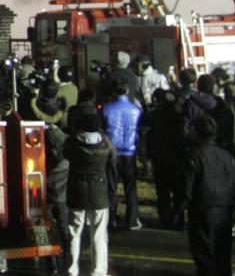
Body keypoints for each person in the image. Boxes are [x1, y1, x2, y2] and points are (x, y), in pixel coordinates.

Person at [182, 114, 235, 276]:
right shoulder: (227, 156)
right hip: (225, 210)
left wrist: (179, 209)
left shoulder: (195, 156)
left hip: (203, 210)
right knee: (223, 256)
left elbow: (187, 188)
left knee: (204, 257)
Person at [64, 107, 116, 276]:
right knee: (99, 234)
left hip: (77, 191)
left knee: (74, 232)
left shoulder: (73, 142)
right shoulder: (106, 143)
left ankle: (72, 269)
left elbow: (64, 154)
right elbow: (113, 163)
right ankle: (99, 270)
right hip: (99, 191)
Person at [100, 78, 142, 230]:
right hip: (129, 150)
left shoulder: (106, 109)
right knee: (130, 187)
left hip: (112, 151)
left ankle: (111, 219)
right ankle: (132, 219)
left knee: (111, 187)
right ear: (127, 91)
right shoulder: (135, 109)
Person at [144, 88, 187, 229]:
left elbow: (150, 137)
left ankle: (165, 218)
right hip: (177, 157)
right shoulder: (179, 116)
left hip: (160, 157)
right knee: (177, 190)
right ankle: (178, 217)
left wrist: (149, 154)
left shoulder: (155, 116)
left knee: (163, 191)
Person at [44, 120, 73, 274]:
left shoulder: (43, 157)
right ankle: (68, 261)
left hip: (45, 198)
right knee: (65, 232)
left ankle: (51, 264)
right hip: (62, 198)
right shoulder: (67, 157)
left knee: (46, 232)